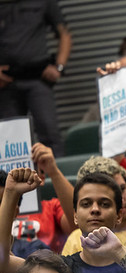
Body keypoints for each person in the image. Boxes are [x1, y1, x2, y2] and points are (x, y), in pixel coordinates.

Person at [0, 0, 71, 156]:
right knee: (10, 141)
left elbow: (64, 34)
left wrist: (59, 67)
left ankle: (55, 177)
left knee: (49, 133)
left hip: (37, 79)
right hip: (6, 84)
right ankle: (14, 179)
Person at [0, 142, 76, 254]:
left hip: (43, 265)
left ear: (41, 177)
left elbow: (79, 226)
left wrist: (53, 171)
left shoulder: (51, 208)